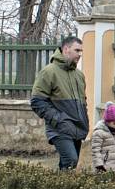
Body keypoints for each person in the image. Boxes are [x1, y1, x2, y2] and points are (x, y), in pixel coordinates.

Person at [30, 36, 89, 170]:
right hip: (59, 128)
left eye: (81, 51)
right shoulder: (48, 72)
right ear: (66, 49)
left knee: (68, 166)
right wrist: (59, 120)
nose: (80, 54)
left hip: (77, 128)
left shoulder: (79, 75)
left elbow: (83, 102)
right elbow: (37, 101)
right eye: (77, 50)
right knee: (70, 160)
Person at [91, 102, 115, 174]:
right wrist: (99, 165)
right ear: (107, 122)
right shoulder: (99, 133)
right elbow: (96, 151)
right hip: (104, 169)